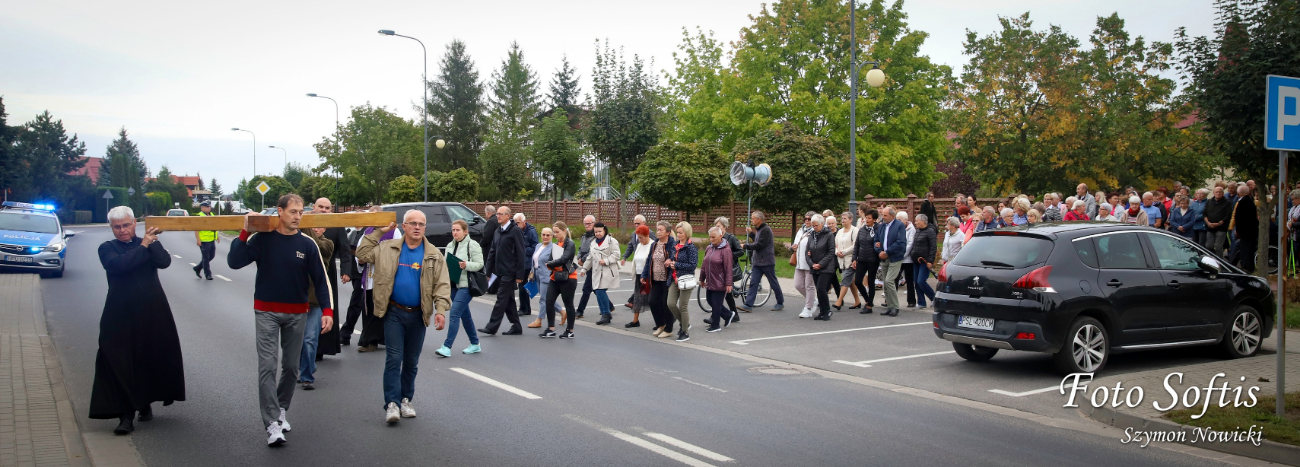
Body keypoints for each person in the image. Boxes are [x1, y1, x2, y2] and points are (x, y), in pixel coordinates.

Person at [227, 194, 334, 447]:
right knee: (267, 366)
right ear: (280, 211)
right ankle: (272, 423)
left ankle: (281, 409)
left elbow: (321, 280)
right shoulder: (263, 239)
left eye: (301, 212)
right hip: (266, 312)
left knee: (291, 367)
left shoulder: (307, 244)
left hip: (297, 313)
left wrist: (327, 311)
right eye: (293, 211)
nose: (297, 216)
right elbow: (234, 262)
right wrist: (245, 231)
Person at [92, 206, 185, 435]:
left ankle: (145, 403)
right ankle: (125, 416)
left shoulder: (148, 242)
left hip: (152, 311)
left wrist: (153, 243)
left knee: (148, 356)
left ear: (134, 223)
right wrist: (143, 245)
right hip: (119, 314)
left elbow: (164, 262)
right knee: (119, 361)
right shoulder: (107, 248)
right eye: (117, 227)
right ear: (111, 228)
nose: (122, 230)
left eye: (126, 225)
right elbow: (120, 266)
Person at [355, 210, 451, 425]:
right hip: (394, 312)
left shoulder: (434, 254)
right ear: (404, 226)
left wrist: (441, 310)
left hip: (418, 315)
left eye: (421, 224)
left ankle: (406, 399)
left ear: (425, 228)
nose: (417, 227)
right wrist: (380, 231)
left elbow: (442, 285)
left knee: (411, 361)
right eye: (412, 223)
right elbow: (362, 253)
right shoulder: (387, 248)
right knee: (393, 358)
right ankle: (392, 403)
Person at [311, 198, 352, 360]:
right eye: (321, 207)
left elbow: (344, 249)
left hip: (328, 272)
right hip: (305, 272)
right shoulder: (305, 222)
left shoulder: (336, 225)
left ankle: (321, 348)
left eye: (327, 208)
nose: (324, 210)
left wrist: (346, 270)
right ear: (314, 208)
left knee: (326, 308)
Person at [478, 206, 528, 336]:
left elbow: (521, 253)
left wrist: (520, 274)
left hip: (510, 272)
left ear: (508, 216)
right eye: (497, 214)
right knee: (509, 301)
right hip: (499, 271)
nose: (498, 216)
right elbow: (492, 252)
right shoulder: (497, 231)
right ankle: (516, 326)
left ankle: (492, 327)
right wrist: (488, 272)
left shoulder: (515, 231)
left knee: (501, 298)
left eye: (501, 214)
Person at [437, 219, 484, 355]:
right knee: (465, 315)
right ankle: (475, 344)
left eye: (458, 230)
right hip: (453, 284)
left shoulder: (472, 245)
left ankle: (447, 347)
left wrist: (466, 265)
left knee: (454, 313)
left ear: (465, 231)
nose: (455, 232)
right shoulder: (449, 246)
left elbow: (480, 264)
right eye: (453, 230)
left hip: (466, 285)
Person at [297, 227, 333, 390]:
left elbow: (317, 245)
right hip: (298, 300)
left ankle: (306, 377)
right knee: (296, 341)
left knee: (310, 339)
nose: (316, 229)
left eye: (319, 225)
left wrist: (306, 224)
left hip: (316, 301)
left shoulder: (327, 244)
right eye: (313, 226)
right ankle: (306, 366)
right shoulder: (301, 242)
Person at [355, 206, 390, 353]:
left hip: (384, 276)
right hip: (369, 276)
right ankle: (370, 340)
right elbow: (359, 251)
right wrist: (360, 261)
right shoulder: (367, 232)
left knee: (381, 309)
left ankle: (373, 340)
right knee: (369, 309)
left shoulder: (393, 232)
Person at [739, 211, 784, 312]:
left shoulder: (766, 230)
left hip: (766, 262)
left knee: (773, 282)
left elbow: (760, 245)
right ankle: (748, 305)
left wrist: (745, 246)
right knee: (753, 283)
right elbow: (757, 240)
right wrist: (751, 233)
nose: (751, 220)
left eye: (753, 218)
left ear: (759, 219)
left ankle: (780, 302)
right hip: (757, 262)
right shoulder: (759, 230)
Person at [541, 221, 578, 338]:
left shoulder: (570, 243)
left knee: (568, 304)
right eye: (554, 232)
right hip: (555, 277)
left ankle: (570, 330)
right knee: (549, 301)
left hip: (568, 277)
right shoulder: (556, 244)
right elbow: (550, 259)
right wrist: (551, 264)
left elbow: (563, 259)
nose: (555, 234)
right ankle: (551, 328)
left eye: (557, 232)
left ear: (564, 231)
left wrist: (550, 264)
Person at [580, 222, 621, 326]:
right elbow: (590, 257)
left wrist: (606, 260)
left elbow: (617, 255)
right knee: (598, 291)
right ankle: (605, 314)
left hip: (608, 270)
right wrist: (584, 269)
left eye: (600, 231)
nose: (598, 233)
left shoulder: (612, 241)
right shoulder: (593, 242)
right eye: (596, 232)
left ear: (604, 230)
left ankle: (606, 314)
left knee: (599, 291)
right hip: (597, 271)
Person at [643, 221, 678, 338]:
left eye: (661, 230)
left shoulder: (672, 244)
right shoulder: (654, 244)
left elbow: (675, 257)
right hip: (655, 279)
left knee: (665, 304)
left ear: (668, 232)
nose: (658, 232)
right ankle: (661, 325)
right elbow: (649, 260)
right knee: (652, 301)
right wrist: (644, 275)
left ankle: (668, 329)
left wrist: (671, 259)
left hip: (667, 279)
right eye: (657, 230)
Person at [666, 222, 698, 341]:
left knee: (683, 306)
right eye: (677, 232)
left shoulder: (691, 247)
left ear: (687, 233)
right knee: (670, 303)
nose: (678, 235)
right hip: (675, 278)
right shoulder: (675, 245)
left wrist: (677, 265)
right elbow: (673, 259)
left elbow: (693, 265)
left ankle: (685, 332)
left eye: (681, 232)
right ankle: (685, 323)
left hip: (686, 279)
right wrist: (670, 262)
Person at [701, 226, 736, 332]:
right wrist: (702, 278)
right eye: (710, 237)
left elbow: (728, 268)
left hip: (720, 281)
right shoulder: (709, 248)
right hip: (710, 280)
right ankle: (728, 314)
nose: (711, 239)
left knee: (716, 304)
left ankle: (716, 325)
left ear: (721, 236)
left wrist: (729, 283)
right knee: (710, 300)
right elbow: (704, 265)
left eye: (714, 237)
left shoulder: (726, 250)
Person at [875, 207, 907, 317]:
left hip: (895, 257)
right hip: (884, 258)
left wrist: (887, 252)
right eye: (882, 215)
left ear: (892, 216)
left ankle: (895, 306)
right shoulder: (882, 226)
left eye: (885, 215)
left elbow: (900, 242)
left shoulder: (899, 226)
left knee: (889, 280)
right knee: (885, 282)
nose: (883, 217)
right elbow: (876, 241)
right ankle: (889, 306)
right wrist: (879, 251)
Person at [805, 215, 836, 320]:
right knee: (818, 290)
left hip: (826, 267)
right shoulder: (811, 235)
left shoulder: (829, 235)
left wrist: (820, 264)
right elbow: (807, 252)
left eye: (816, 225)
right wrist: (812, 264)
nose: (814, 227)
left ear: (822, 224)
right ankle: (822, 312)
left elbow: (831, 252)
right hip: (814, 266)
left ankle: (827, 310)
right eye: (813, 225)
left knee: (821, 288)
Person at [714, 217, 744, 321]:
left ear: (725, 227)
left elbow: (740, 251)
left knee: (722, 294)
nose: (717, 228)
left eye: (719, 226)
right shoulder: (715, 238)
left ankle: (716, 317)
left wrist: (728, 256)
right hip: (718, 270)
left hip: (728, 270)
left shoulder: (731, 238)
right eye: (716, 226)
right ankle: (734, 315)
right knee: (726, 294)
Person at [624, 225, 653, 328]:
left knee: (652, 300)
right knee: (637, 298)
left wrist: (646, 275)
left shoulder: (653, 245)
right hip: (638, 275)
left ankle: (661, 321)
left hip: (649, 276)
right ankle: (635, 321)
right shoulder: (639, 245)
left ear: (647, 235)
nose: (640, 240)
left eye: (641, 237)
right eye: (638, 237)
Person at [852, 207, 879, 314]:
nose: (867, 220)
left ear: (874, 220)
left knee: (871, 282)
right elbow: (857, 245)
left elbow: (880, 243)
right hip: (862, 259)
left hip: (873, 260)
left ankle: (868, 306)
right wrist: (854, 258)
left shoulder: (878, 229)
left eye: (869, 218)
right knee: (858, 281)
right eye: (866, 217)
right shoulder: (862, 230)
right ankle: (868, 301)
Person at [833, 211, 862, 310]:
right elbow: (836, 244)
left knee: (845, 280)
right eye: (842, 218)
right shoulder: (840, 231)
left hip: (851, 260)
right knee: (851, 281)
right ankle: (857, 301)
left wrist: (844, 252)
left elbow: (855, 245)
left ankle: (839, 301)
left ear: (851, 220)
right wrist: (837, 252)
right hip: (841, 260)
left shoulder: (855, 230)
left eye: (845, 218)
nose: (843, 220)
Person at [527, 227, 556, 328]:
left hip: (546, 276)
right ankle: (562, 311)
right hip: (536, 274)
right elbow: (534, 260)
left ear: (552, 236)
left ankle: (539, 320)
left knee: (543, 299)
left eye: (548, 235)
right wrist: (531, 273)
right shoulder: (538, 246)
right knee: (547, 298)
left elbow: (557, 263)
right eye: (543, 235)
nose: (545, 237)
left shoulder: (554, 248)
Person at [792, 212, 818, 318]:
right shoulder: (801, 230)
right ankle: (813, 300)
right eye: (805, 219)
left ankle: (808, 308)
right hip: (799, 262)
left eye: (809, 219)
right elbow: (796, 243)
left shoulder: (815, 232)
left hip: (809, 263)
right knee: (798, 285)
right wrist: (793, 247)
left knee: (809, 286)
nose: (807, 221)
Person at [909, 214, 938, 309]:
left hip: (925, 260)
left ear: (923, 221)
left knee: (921, 281)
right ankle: (921, 302)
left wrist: (930, 260)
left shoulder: (930, 231)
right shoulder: (918, 231)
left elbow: (933, 247)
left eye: (917, 221)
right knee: (916, 282)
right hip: (916, 260)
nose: (915, 223)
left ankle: (934, 298)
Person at [1229, 185, 1258, 273]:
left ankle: (1247, 268)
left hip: (1246, 232)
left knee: (1246, 251)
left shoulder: (1243, 202)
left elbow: (1240, 218)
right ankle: (1244, 266)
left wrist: (1238, 231)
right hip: (1250, 231)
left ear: (1238, 193)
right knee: (1245, 250)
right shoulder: (1249, 200)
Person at [622, 214, 648, 309]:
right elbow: (630, 246)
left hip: (645, 263)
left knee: (641, 284)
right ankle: (634, 302)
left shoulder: (649, 233)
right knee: (639, 284)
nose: (636, 225)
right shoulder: (634, 234)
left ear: (644, 223)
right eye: (635, 223)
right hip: (638, 264)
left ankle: (633, 302)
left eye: (638, 223)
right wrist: (624, 257)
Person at [514, 213, 539, 316]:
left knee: (522, 285)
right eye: (515, 223)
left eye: (518, 222)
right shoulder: (517, 231)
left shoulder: (531, 231)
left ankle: (524, 308)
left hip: (527, 262)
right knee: (521, 286)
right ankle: (525, 308)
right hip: (519, 262)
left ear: (524, 222)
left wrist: (522, 250)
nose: (516, 225)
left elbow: (535, 247)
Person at [573, 215, 597, 319]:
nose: (587, 225)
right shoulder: (584, 236)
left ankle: (580, 311)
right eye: (585, 224)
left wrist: (583, 259)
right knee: (595, 289)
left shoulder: (596, 237)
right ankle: (609, 306)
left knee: (586, 289)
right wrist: (579, 258)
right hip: (586, 265)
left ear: (594, 224)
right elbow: (580, 249)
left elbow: (592, 251)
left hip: (593, 265)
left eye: (589, 223)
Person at [192, 201, 218, 280]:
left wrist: (217, 236)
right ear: (202, 208)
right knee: (206, 258)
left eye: (209, 207)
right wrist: (198, 239)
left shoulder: (211, 215)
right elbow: (196, 229)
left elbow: (214, 227)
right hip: (204, 240)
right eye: (207, 207)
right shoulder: (199, 216)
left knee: (211, 256)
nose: (209, 208)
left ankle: (198, 268)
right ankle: (208, 274)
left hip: (211, 239)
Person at [897, 211, 917, 308]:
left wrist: (903, 254)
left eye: (900, 220)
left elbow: (910, 244)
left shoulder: (911, 229)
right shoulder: (898, 228)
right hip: (898, 258)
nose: (898, 221)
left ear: (905, 220)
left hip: (908, 259)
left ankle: (911, 301)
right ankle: (890, 300)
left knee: (909, 280)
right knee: (894, 279)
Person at [1204, 186, 1233, 256]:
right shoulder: (1209, 201)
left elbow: (1228, 215)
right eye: (1216, 192)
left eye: (1220, 192)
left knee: (1218, 246)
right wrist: (1208, 223)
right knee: (1209, 246)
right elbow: (1204, 213)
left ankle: (1219, 260)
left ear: (1223, 193)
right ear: (1213, 193)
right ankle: (1212, 258)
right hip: (1210, 227)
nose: (1218, 193)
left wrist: (1219, 223)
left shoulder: (1227, 202)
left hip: (1221, 228)